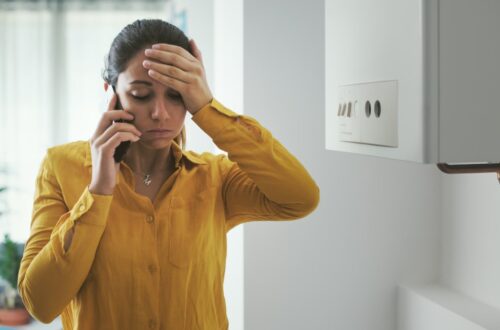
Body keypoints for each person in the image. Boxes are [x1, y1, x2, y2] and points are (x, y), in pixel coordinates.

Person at [17, 19, 320, 329]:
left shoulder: (215, 178)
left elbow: (301, 198)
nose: (160, 112)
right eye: (140, 94)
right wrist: (98, 191)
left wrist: (208, 108)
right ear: (111, 93)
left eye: (176, 96)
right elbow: (40, 303)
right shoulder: (60, 167)